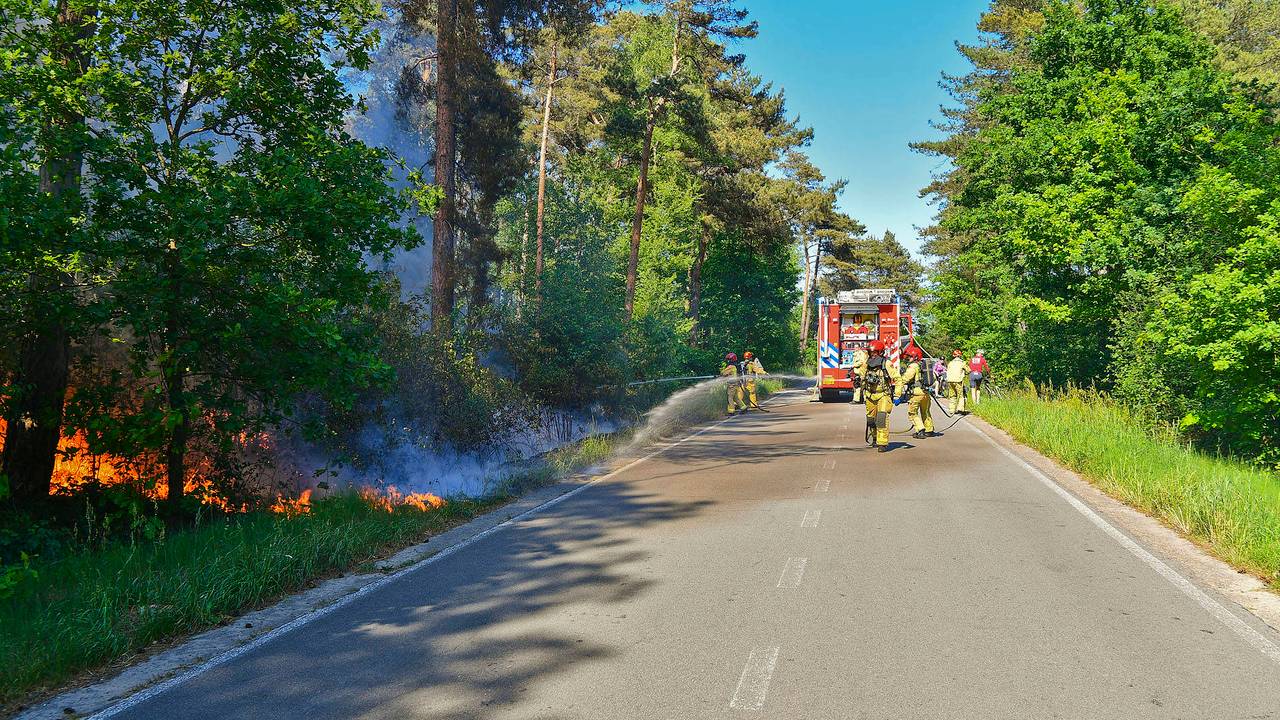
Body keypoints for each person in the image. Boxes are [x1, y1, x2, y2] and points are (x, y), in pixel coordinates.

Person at [852, 339, 896, 452]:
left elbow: (897, 378)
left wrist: (898, 395)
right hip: (870, 395)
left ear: (880, 352)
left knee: (881, 418)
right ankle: (875, 438)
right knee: (871, 420)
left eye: (875, 352)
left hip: (883, 395)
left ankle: (882, 443)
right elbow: (861, 376)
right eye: (871, 352)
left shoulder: (886, 364)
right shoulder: (866, 364)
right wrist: (858, 381)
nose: (873, 355)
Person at [896, 346, 934, 439]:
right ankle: (929, 429)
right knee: (925, 411)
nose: (909, 358)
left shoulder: (913, 366)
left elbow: (906, 378)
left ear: (915, 357)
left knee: (912, 413)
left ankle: (920, 430)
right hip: (926, 393)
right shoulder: (923, 365)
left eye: (910, 357)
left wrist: (898, 383)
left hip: (916, 393)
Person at [946, 349, 968, 415]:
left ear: (953, 355)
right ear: (960, 355)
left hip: (950, 381)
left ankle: (952, 410)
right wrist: (965, 372)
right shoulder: (962, 363)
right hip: (958, 381)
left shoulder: (950, 363)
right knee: (960, 395)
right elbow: (968, 370)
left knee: (952, 395)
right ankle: (960, 409)